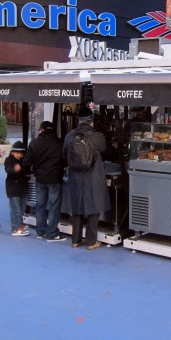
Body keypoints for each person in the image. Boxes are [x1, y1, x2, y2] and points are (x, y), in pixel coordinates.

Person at [63, 107, 110, 250]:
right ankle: (91, 241)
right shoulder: (98, 137)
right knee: (94, 207)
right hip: (93, 176)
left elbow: (64, 154)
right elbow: (106, 151)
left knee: (77, 207)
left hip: (75, 176)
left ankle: (75, 240)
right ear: (92, 121)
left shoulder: (70, 136)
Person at [23, 121, 66, 241]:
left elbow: (26, 162)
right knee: (54, 206)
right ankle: (52, 233)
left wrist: (30, 171)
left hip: (40, 178)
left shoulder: (35, 143)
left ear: (42, 130)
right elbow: (65, 160)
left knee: (40, 205)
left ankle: (40, 231)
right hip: (55, 178)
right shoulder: (59, 143)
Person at [5, 141, 31, 236]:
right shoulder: (9, 160)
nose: (20, 155)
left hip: (22, 188)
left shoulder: (23, 162)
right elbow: (8, 170)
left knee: (22, 208)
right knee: (16, 209)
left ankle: (19, 226)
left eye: (21, 153)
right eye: (17, 153)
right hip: (13, 188)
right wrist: (14, 170)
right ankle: (16, 228)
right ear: (12, 152)